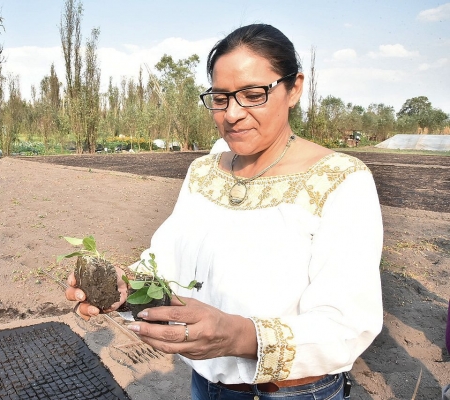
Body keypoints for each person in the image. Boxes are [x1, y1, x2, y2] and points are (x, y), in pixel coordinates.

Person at [66, 23, 383, 399]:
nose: (232, 113)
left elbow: (346, 325)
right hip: (206, 385)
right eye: (220, 98)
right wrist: (125, 285)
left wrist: (235, 335)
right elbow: (165, 262)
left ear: (294, 88)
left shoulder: (339, 180)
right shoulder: (204, 171)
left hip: (289, 393)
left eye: (253, 94)